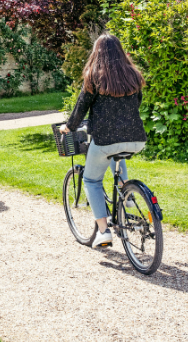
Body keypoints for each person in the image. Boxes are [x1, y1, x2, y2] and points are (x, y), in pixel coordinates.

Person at [60, 33, 147, 249]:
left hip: (105, 140)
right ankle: (126, 192)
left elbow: (80, 108)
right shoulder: (133, 75)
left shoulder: (94, 76)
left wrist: (68, 127)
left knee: (91, 180)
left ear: (97, 53)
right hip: (136, 139)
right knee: (116, 152)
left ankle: (103, 231)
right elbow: (136, 103)